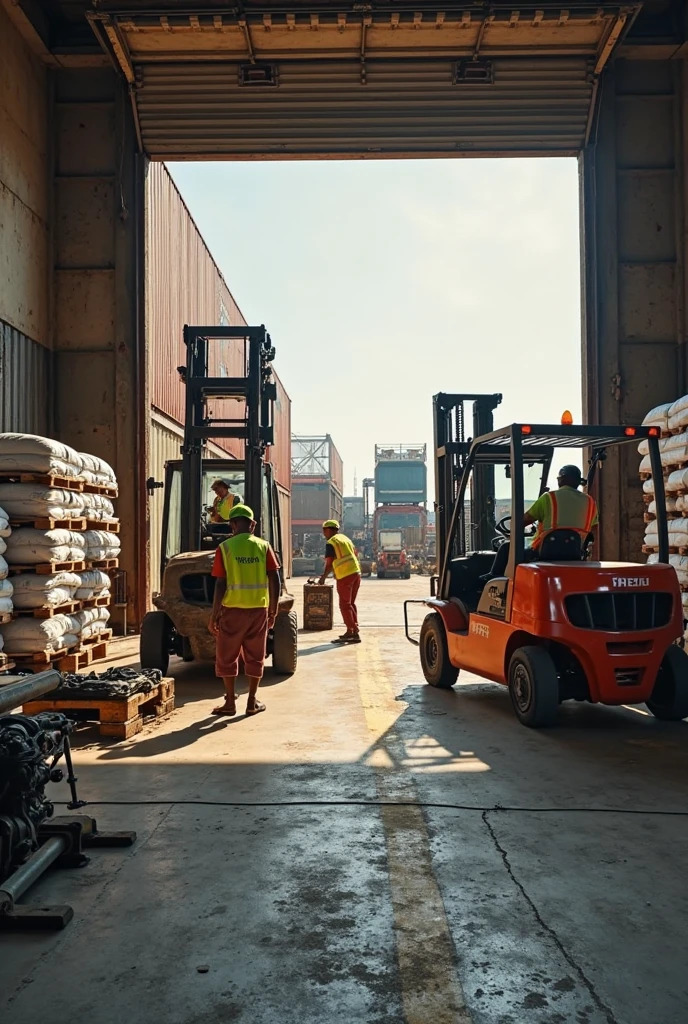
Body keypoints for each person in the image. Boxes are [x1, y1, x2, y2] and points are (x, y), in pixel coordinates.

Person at [209, 503, 280, 717]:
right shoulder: (263, 546)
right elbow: (274, 578)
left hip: (232, 611)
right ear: (253, 525)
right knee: (255, 655)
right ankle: (251, 701)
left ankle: (230, 702)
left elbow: (220, 584)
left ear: (231, 524)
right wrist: (273, 610)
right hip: (258, 609)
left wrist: (214, 615)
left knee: (227, 656)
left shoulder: (225, 548)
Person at [488, 465, 598, 578]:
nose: (558, 480)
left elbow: (522, 522)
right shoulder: (590, 502)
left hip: (542, 554)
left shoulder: (549, 498)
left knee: (506, 547)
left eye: (558, 478)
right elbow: (594, 531)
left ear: (563, 478)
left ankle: (492, 579)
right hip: (575, 554)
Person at [318, 520, 362, 644]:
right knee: (350, 604)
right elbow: (355, 554)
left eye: (324, 530)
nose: (324, 533)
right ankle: (352, 631)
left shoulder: (331, 543)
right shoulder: (345, 539)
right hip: (355, 573)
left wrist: (323, 578)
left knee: (344, 605)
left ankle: (353, 630)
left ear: (329, 530)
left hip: (345, 575)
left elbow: (329, 563)